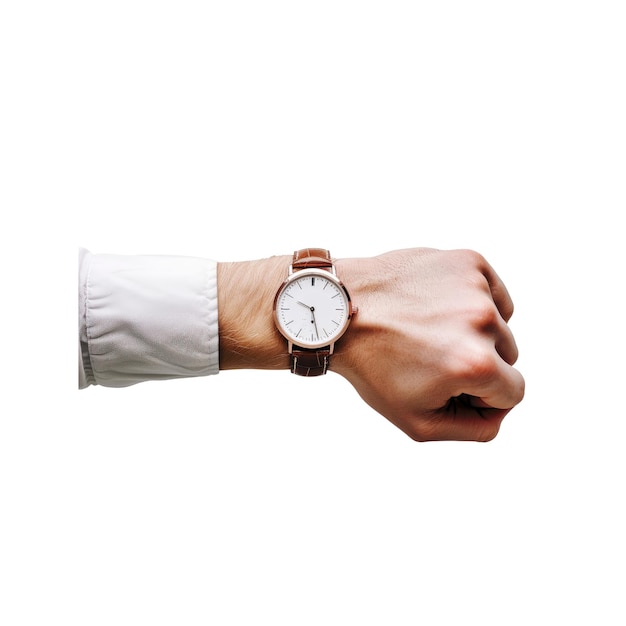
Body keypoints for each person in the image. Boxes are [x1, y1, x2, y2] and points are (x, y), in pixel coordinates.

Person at [79, 247, 524, 442]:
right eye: (308, 311)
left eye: (325, 311)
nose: (314, 315)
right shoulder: (310, 312)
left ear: (347, 310)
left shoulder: (328, 307)